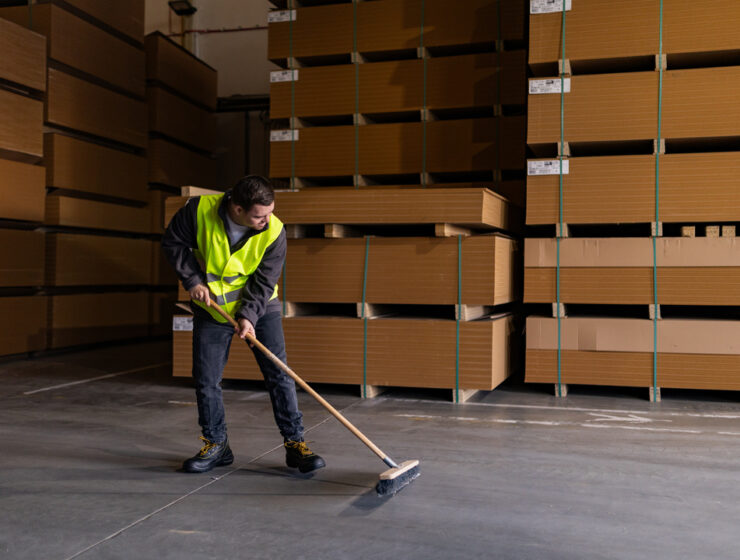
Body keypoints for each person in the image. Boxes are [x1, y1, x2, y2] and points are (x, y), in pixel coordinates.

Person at [162, 175, 325, 474]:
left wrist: (248, 316)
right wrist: (193, 280)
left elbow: (264, 281)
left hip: (261, 309)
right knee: (206, 378)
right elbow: (173, 242)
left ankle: (295, 445)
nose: (267, 220)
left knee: (279, 374)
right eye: (259, 215)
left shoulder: (275, 230)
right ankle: (217, 445)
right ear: (236, 208)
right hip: (212, 310)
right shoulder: (198, 211)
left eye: (270, 212)